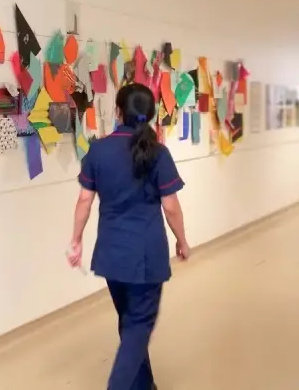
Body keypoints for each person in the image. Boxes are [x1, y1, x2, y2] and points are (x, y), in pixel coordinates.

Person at [67, 83, 190, 390]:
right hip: (146, 257)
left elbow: (85, 200)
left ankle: (144, 386)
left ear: (118, 112)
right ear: (150, 115)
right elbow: (171, 206)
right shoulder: (158, 153)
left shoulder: (99, 150)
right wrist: (182, 240)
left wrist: (76, 239)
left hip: (112, 256)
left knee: (129, 321)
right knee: (137, 326)